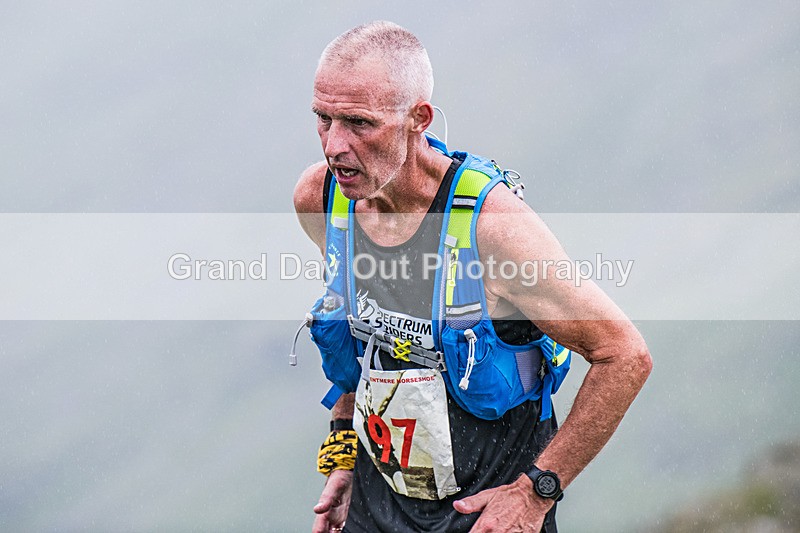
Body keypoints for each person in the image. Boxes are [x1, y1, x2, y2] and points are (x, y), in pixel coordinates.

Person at [294, 21, 652, 533]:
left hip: (487, 519)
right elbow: (359, 340)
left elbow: (625, 355)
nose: (334, 145)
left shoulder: (493, 229)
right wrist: (343, 454)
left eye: (358, 122)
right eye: (323, 119)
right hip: (373, 508)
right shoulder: (323, 200)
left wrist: (536, 493)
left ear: (418, 118)